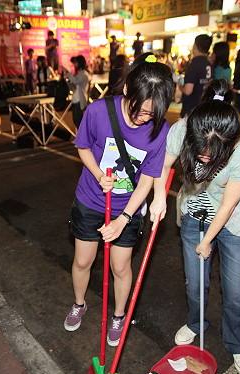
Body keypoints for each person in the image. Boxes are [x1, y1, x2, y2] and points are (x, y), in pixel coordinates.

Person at [150, 79, 240, 374]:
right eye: (201, 149)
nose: (206, 156)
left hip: (235, 223)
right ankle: (196, 323)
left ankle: (237, 343)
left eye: (215, 152)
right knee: (195, 283)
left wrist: (208, 240)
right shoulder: (182, 129)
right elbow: (163, 165)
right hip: (195, 216)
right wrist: (159, 196)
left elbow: (228, 204)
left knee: (236, 292)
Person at [64, 53, 175, 347]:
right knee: (82, 260)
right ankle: (79, 303)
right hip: (90, 198)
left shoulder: (160, 130)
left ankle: (119, 315)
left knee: (121, 267)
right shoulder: (99, 111)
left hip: (129, 205)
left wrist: (123, 218)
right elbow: (83, 147)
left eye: (153, 113)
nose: (144, 118)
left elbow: (149, 179)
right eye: (140, 110)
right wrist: (100, 174)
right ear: (127, 90)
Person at [178, 34, 213, 118]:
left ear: (195, 46)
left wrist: (179, 85)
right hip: (205, 108)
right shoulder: (209, 64)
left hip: (192, 109)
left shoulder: (194, 65)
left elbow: (188, 90)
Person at [61, 55, 90, 129]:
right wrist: (67, 81)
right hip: (76, 100)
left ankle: (84, 139)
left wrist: (67, 72)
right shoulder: (80, 73)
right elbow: (73, 86)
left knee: (79, 121)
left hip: (79, 100)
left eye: (76, 62)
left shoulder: (84, 74)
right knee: (76, 121)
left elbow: (76, 81)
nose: (75, 64)